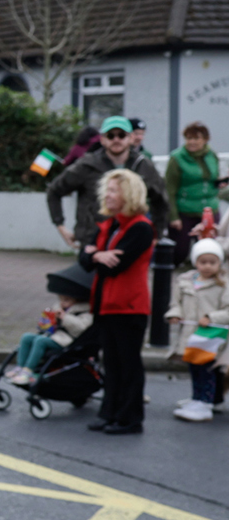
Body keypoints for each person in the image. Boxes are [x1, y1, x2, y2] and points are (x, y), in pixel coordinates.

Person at [80, 168, 154, 434]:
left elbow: (114, 266)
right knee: (110, 363)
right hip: (105, 304)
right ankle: (109, 413)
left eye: (113, 190)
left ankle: (130, 418)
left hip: (129, 306)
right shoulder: (110, 225)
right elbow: (84, 260)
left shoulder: (141, 228)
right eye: (107, 190)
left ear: (128, 194)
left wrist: (95, 255)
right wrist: (97, 255)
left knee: (128, 363)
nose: (107, 195)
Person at [46, 116, 168, 249]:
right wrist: (60, 226)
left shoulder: (143, 165)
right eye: (110, 135)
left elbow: (161, 199)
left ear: (130, 138)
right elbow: (54, 191)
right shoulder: (86, 165)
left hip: (132, 239)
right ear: (102, 139)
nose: (116, 140)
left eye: (121, 135)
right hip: (93, 240)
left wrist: (157, 233)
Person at [162, 236, 228, 422]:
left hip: (211, 336)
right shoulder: (185, 281)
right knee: (194, 369)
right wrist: (174, 315)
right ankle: (197, 398)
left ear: (219, 263)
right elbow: (176, 303)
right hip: (190, 334)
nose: (207, 266)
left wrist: (211, 317)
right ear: (195, 262)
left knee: (207, 370)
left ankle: (205, 403)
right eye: (203, 262)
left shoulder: (224, 284)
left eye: (212, 262)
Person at [3, 268, 94, 386]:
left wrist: (65, 318)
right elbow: (48, 327)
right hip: (55, 336)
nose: (62, 302)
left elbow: (80, 328)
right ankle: (20, 367)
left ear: (77, 301)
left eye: (66, 300)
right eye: (61, 299)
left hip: (68, 341)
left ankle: (28, 370)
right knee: (27, 337)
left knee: (40, 341)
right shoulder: (61, 308)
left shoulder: (86, 312)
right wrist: (47, 321)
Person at [164, 121, 220, 262]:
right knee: (180, 251)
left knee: (208, 251)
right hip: (185, 210)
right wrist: (173, 216)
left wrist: (221, 182)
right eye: (189, 138)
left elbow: (212, 179)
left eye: (196, 138)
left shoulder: (211, 155)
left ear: (205, 139)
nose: (192, 142)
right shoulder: (177, 158)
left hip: (208, 210)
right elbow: (169, 189)